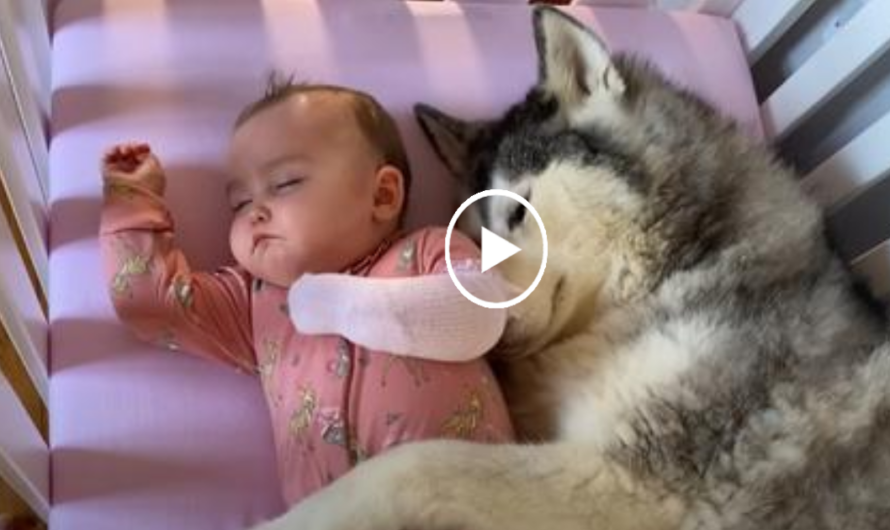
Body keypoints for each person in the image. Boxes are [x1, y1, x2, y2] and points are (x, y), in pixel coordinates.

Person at [99, 76, 515, 506]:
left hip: (467, 504)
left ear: (383, 195)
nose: (255, 212)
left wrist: (334, 304)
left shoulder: (428, 249)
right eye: (239, 203)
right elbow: (147, 302)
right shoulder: (253, 302)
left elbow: (480, 315)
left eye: (285, 184)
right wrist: (132, 200)